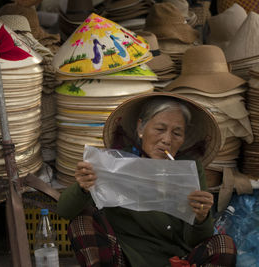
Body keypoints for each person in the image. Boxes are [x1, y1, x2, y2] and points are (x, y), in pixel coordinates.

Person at [57, 92, 237, 267]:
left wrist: (201, 216)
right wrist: (83, 187)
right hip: (126, 258)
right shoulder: (116, 164)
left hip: (176, 259)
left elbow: (197, 240)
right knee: (82, 221)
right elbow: (64, 211)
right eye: (160, 129)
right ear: (141, 128)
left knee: (224, 245)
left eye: (177, 133)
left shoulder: (188, 169)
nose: (167, 139)